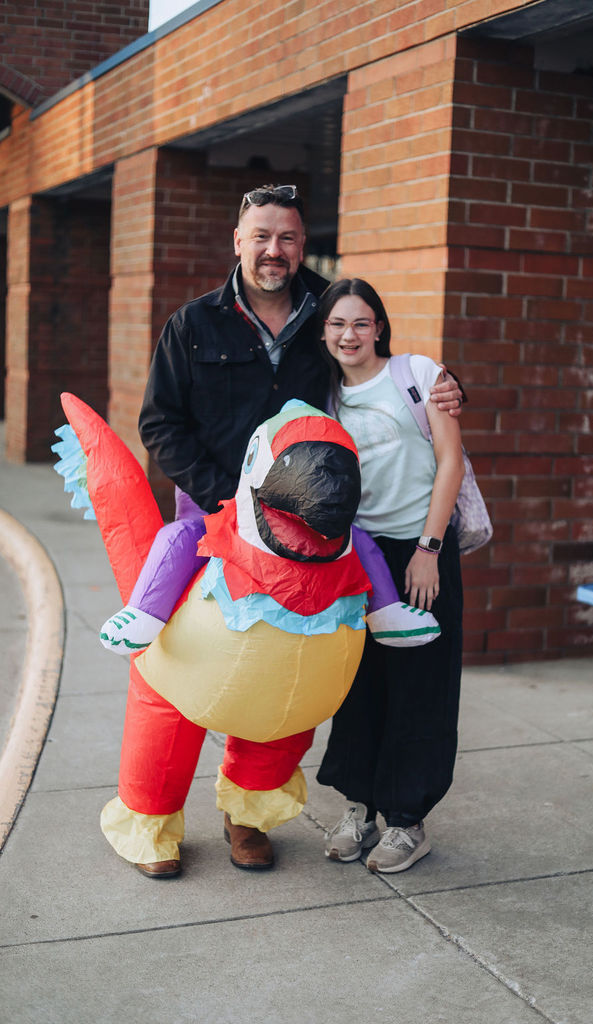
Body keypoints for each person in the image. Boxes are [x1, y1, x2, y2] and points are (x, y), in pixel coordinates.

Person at [101, 185, 465, 877]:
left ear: (303, 244)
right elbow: (159, 427)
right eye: (261, 236)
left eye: (289, 238)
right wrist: (230, 500)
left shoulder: (327, 312)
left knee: (279, 683)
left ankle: (248, 818)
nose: (275, 251)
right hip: (211, 529)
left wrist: (444, 387)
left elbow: (379, 369)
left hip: (312, 546)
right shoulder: (191, 325)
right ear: (236, 241)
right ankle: (151, 819)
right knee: (175, 680)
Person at [316, 277, 465, 874]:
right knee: (358, 683)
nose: (348, 335)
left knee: (420, 684)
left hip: (419, 547)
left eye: (359, 322)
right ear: (323, 333)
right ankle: (360, 808)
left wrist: (428, 548)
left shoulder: (420, 374)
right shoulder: (322, 396)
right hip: (356, 554)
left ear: (378, 325)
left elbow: (450, 459)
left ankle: (408, 821)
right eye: (336, 324)